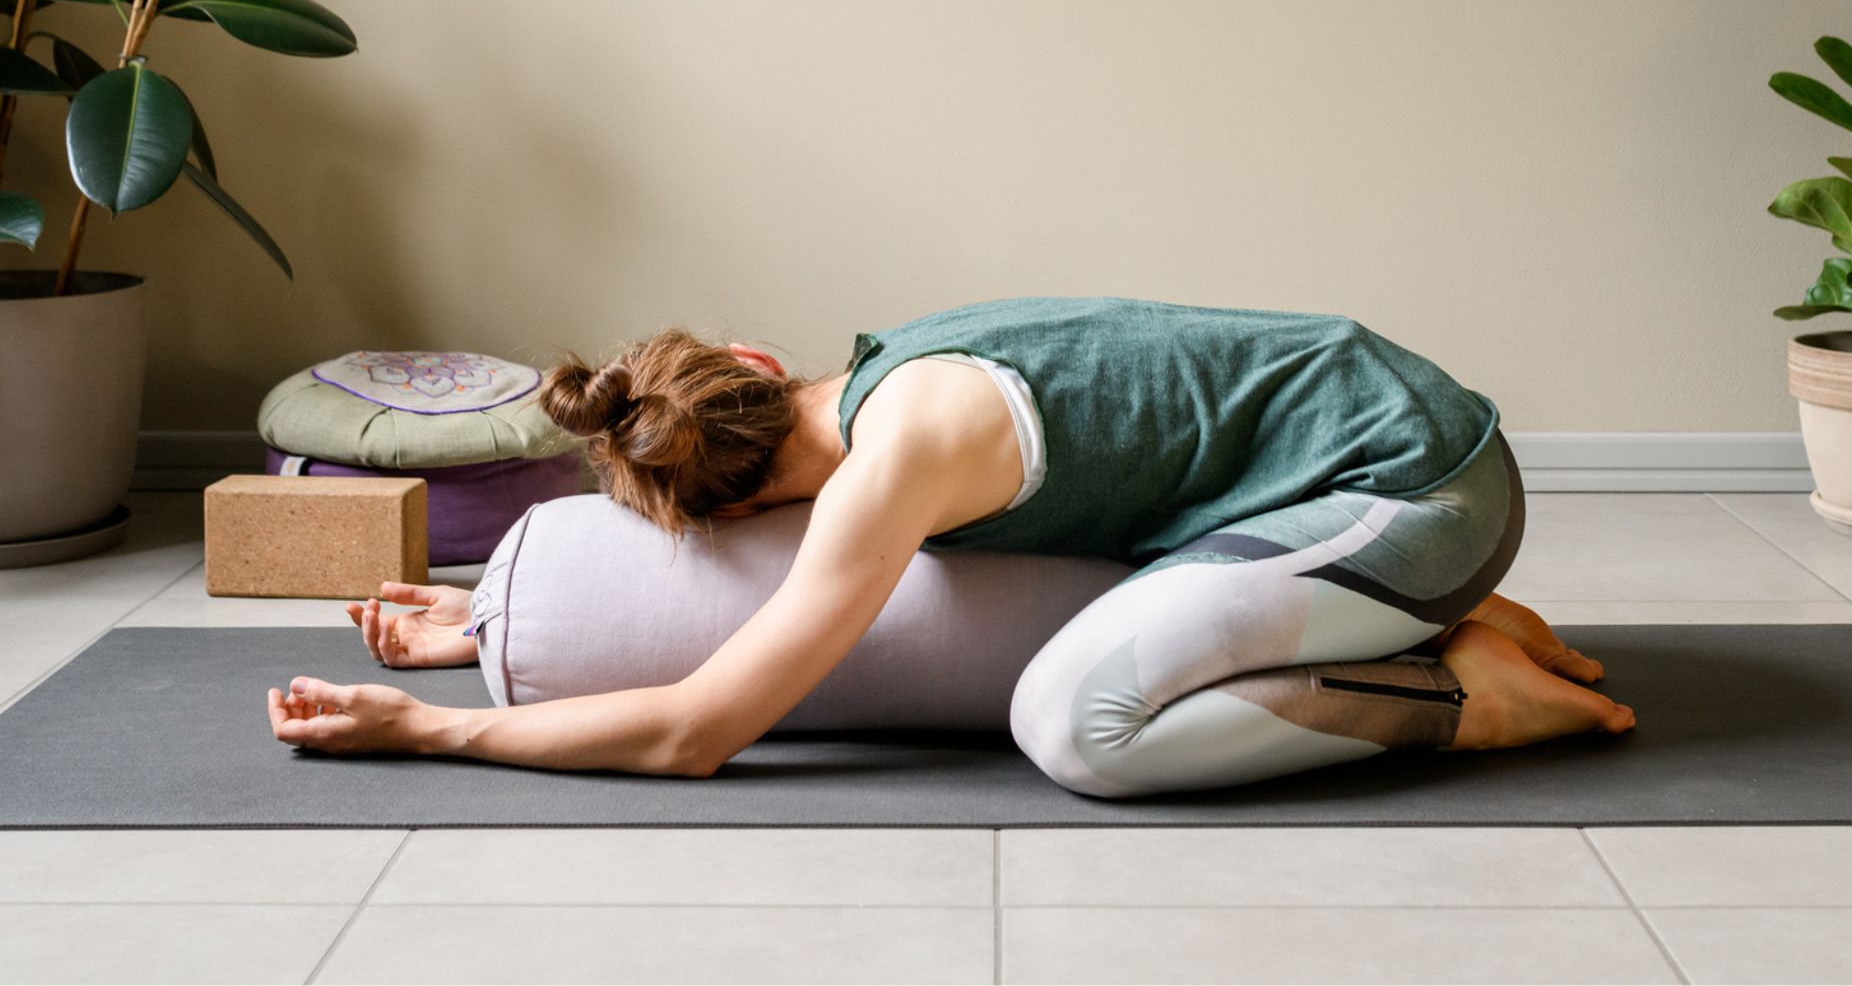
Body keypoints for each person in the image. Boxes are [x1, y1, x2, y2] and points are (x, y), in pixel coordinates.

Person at [265, 296, 1633, 797]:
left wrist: (432, 733)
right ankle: (1456, 632)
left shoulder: (890, 472)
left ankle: (1460, 699)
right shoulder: (896, 366)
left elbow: (696, 730)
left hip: (1411, 490)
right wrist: (474, 617)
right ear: (752, 362)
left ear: (742, 514)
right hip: (1399, 449)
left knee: (1081, 729)